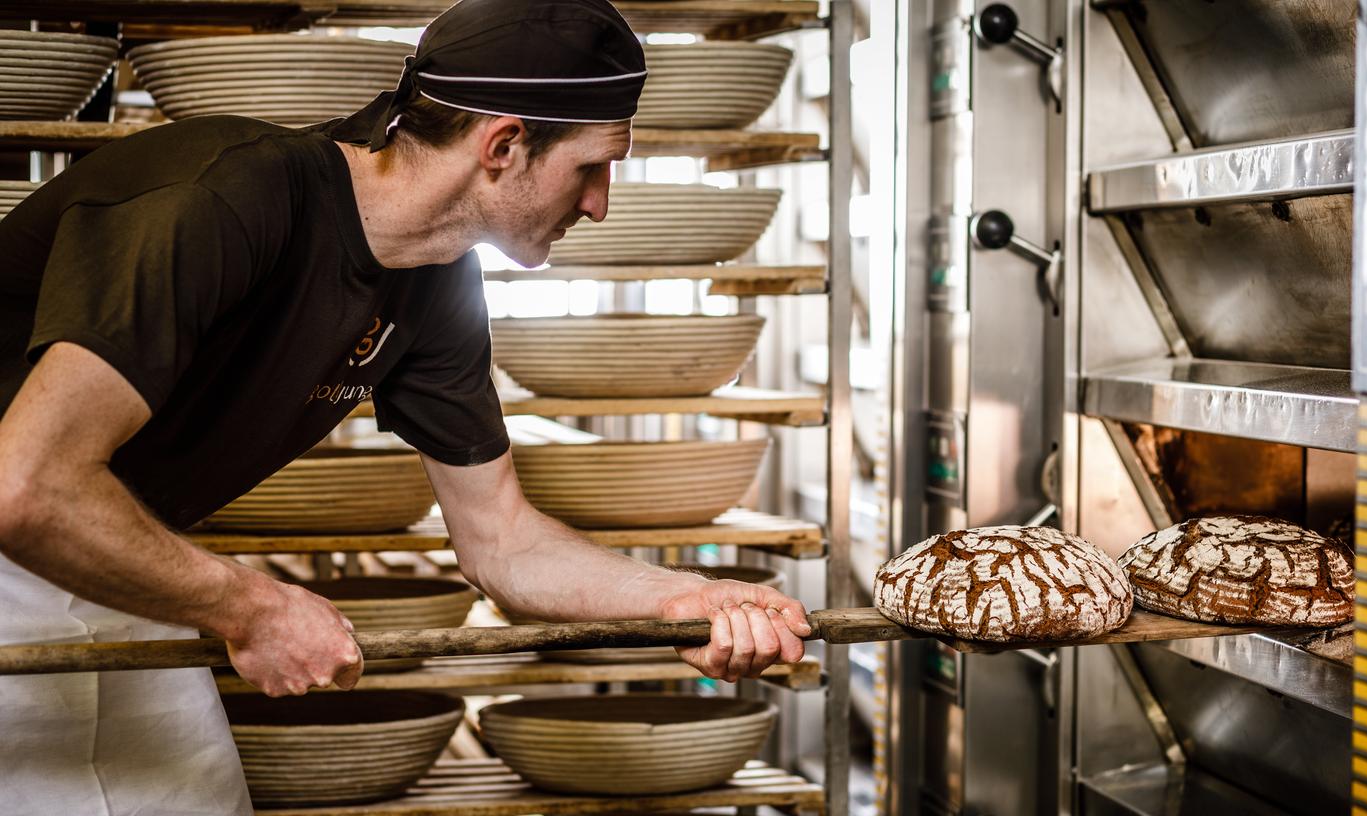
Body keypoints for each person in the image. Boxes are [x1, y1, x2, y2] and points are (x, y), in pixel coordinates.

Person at [0, 1, 812, 812]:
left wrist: (680, 601)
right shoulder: (225, 198)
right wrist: (252, 606)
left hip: (122, 556)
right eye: (592, 168)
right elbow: (28, 486)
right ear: (502, 144)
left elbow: (504, 543)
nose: (599, 203)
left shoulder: (437, 278)